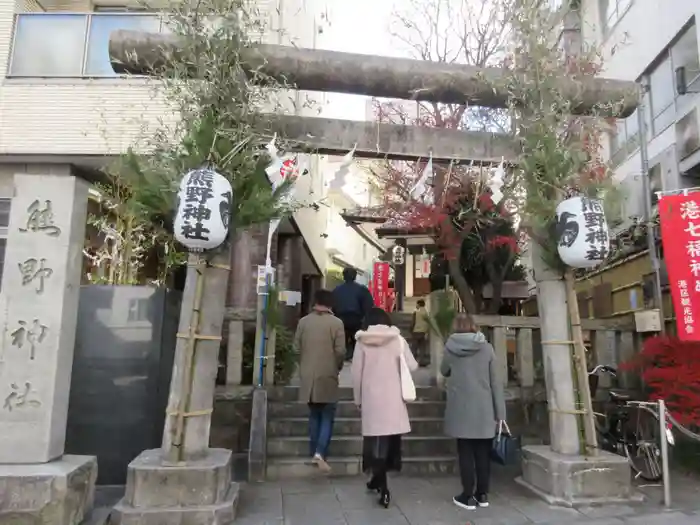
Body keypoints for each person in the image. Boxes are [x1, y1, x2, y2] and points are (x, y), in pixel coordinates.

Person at [352, 307, 418, 508]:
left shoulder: (362, 342)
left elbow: (356, 373)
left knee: (375, 441)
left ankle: (381, 485)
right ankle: (380, 483)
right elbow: (413, 365)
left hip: (372, 398)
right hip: (393, 397)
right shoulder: (398, 340)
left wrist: (358, 399)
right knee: (388, 439)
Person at [440, 316, 506, 511]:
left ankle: (467, 495)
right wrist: (500, 413)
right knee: (483, 453)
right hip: (484, 408)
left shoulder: (450, 347)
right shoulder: (486, 348)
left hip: (461, 408)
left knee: (465, 452)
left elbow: (444, 370)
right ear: (473, 326)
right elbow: (496, 382)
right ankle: (482, 494)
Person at [295, 288, 346, 472]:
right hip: (328, 375)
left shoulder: (303, 322)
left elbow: (296, 348)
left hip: (308, 376)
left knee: (314, 415)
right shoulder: (337, 323)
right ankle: (320, 453)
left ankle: (314, 451)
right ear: (330, 304)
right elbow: (340, 351)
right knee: (327, 416)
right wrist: (337, 366)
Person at [332, 267, 374, 361]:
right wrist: (365, 318)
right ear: (355, 276)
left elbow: (332, 305)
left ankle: (343, 356)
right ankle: (356, 357)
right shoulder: (362, 289)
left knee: (342, 340)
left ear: (344, 276)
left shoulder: (337, 290)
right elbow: (368, 305)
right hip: (357, 319)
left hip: (340, 318)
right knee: (357, 340)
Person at [411, 299, 430, 367]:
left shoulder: (416, 312)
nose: (416, 305)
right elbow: (429, 323)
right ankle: (421, 361)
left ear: (418, 304)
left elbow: (413, 322)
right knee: (422, 347)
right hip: (423, 332)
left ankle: (413, 361)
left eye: (417, 304)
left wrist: (411, 329)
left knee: (414, 347)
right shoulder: (426, 313)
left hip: (416, 331)